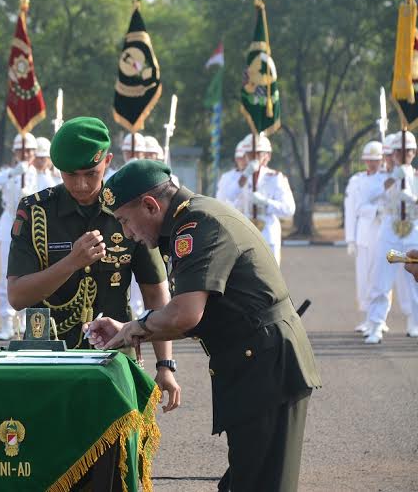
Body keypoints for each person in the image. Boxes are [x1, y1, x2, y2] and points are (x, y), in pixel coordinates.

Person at [85, 159, 321, 492]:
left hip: (266, 368)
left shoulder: (196, 224)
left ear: (150, 205)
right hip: (255, 364)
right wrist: (129, 327)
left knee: (261, 484)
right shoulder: (191, 218)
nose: (127, 233)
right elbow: (190, 313)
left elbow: (185, 314)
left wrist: (134, 328)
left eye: (125, 220)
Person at [7, 117, 180, 410]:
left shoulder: (128, 207)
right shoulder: (35, 211)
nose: (81, 184)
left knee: (117, 451)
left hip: (116, 353)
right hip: (50, 354)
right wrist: (71, 263)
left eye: (91, 173)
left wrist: (165, 364)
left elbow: (155, 294)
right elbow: (17, 296)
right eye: (70, 175)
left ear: (108, 161)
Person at [363, 131, 418, 342]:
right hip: (390, 229)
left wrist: (413, 199)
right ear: (392, 154)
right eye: (399, 151)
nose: (403, 155)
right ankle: (376, 324)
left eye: (407, 151)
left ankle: (414, 322)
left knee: (414, 278)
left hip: (412, 229)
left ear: (414, 153)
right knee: (381, 280)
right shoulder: (385, 178)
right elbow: (369, 196)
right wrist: (393, 179)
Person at [0, 133, 39, 340]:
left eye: (29, 151)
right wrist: (12, 174)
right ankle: (7, 322)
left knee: (31, 274)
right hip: (9, 224)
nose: (25, 154)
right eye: (21, 151)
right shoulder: (9, 172)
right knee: (7, 275)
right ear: (15, 152)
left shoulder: (40, 174)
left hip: (33, 228)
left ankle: (25, 322)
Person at [227, 133, 295, 265]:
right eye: (249, 154)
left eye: (257, 154)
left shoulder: (275, 178)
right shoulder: (239, 178)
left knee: (269, 282)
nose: (252, 158)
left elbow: (289, 209)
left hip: (267, 235)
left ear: (267, 156)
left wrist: (266, 203)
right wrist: (246, 174)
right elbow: (229, 196)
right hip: (244, 236)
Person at [343, 141, 386, 332]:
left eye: (375, 160)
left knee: (380, 279)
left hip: (382, 234)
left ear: (382, 160)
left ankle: (379, 318)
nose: (372, 164)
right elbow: (351, 210)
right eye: (369, 160)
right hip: (363, 236)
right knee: (364, 280)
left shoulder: (388, 179)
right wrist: (350, 239)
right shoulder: (357, 180)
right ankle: (368, 317)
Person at [215, 138, 249, 204]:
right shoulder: (226, 177)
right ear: (236, 159)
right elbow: (220, 200)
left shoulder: (258, 176)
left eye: (245, 158)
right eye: (240, 158)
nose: (243, 161)